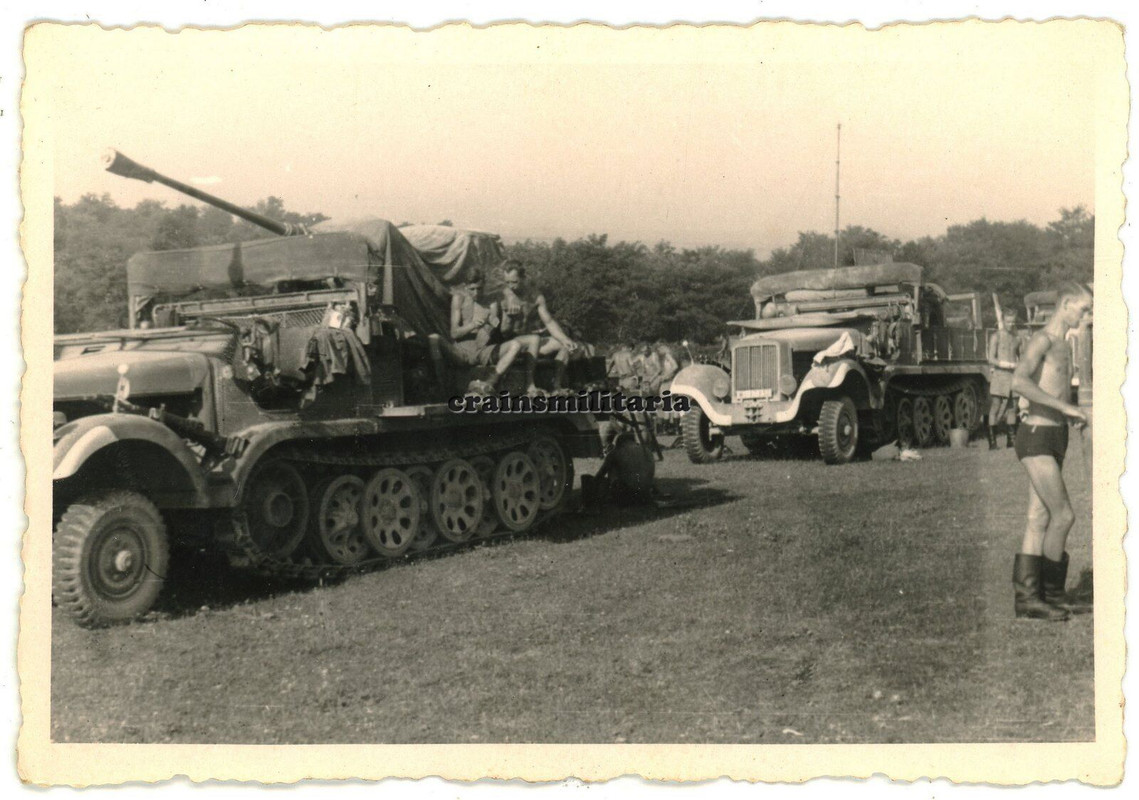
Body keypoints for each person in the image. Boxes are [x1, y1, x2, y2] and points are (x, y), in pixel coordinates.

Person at [1009, 281, 1093, 621]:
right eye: (1084, 310)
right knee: (1064, 515)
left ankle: (1034, 599)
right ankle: (1049, 595)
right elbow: (1019, 381)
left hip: (1056, 436)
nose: (1087, 316)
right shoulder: (1042, 340)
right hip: (1036, 437)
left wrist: (1069, 413)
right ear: (1066, 304)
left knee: (1038, 518)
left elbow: (1054, 387)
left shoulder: (1065, 344)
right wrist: (1064, 407)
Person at [427, 269, 527, 394]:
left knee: (516, 345)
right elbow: (454, 333)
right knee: (434, 338)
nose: (476, 293)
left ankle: (490, 382)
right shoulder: (459, 299)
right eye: (472, 289)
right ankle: (441, 385)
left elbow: (497, 325)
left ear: (484, 284)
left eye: (480, 288)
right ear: (465, 287)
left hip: (482, 350)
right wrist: (473, 325)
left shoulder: (491, 303)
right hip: (461, 351)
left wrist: (493, 324)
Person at [498, 260, 578, 393]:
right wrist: (510, 316)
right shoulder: (503, 294)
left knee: (565, 345)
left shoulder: (535, 296)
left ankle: (556, 386)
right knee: (533, 339)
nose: (511, 286)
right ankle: (530, 385)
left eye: (514, 282)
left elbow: (549, 322)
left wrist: (565, 339)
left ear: (523, 278)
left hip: (531, 343)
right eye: (508, 282)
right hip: (510, 343)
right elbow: (503, 331)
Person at [986, 306, 1023, 449]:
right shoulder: (996, 336)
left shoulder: (1017, 338)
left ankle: (1011, 441)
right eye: (1008, 321)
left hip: (1013, 377)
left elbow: (1022, 357)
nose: (1011, 324)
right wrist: (1005, 364)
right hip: (1000, 377)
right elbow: (991, 358)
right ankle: (992, 443)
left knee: (1013, 408)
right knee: (995, 406)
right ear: (1003, 321)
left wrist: (1019, 365)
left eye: (1013, 322)